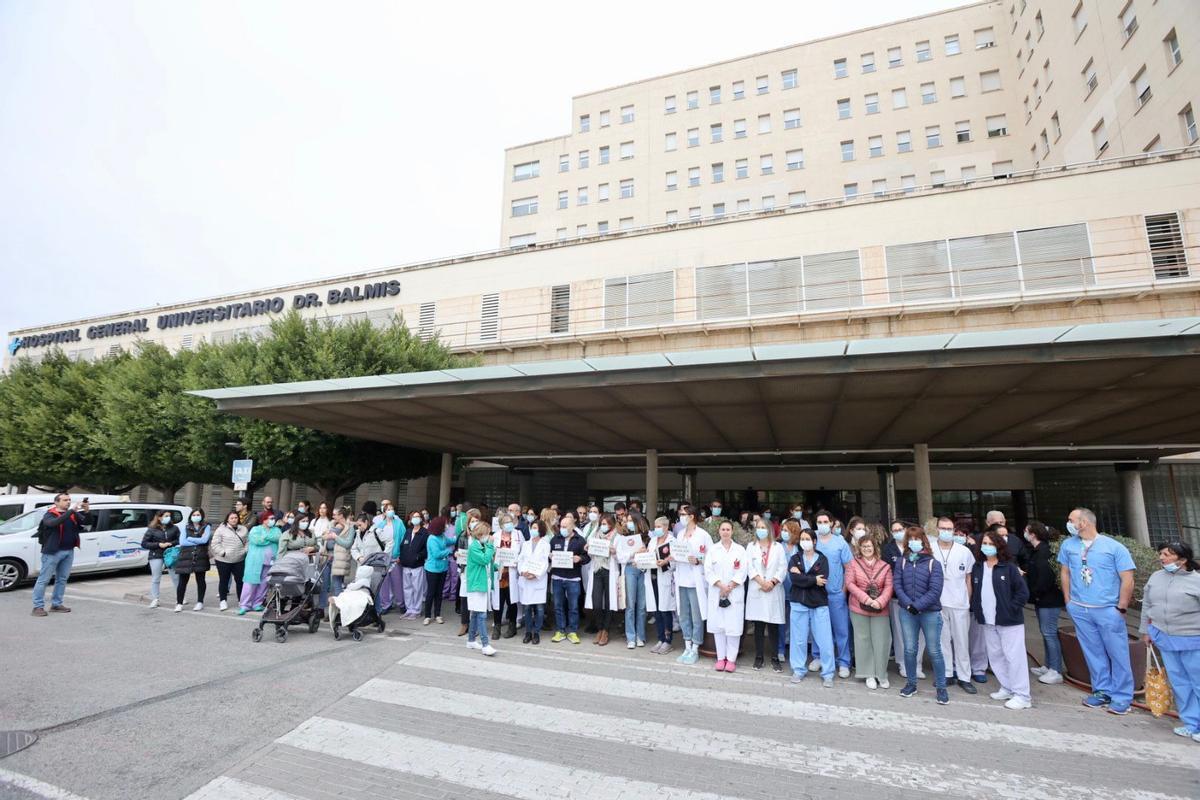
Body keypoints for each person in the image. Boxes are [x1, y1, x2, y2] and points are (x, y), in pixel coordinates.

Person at [1059, 507, 1136, 714]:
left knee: (1117, 653)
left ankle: (1122, 696)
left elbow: (1127, 578)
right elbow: (1065, 572)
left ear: (1083, 523)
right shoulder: (1068, 545)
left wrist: (1121, 606)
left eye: (1071, 519)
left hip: (1107, 609)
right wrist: (1068, 600)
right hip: (1080, 608)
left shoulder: (1114, 548)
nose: (1068, 523)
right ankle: (1102, 690)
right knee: (1092, 652)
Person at [1139, 542, 1200, 742]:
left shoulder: (1196, 581)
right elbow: (1147, 604)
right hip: (1164, 637)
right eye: (1161, 553)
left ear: (1182, 560)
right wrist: (1146, 630)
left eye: (1168, 554)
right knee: (1179, 682)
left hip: (1192, 638)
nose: (1162, 557)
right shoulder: (1156, 577)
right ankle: (1191, 723)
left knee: (1197, 682)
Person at [970, 529, 1032, 709]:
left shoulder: (1009, 567)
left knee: (1014, 657)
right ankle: (1007, 687)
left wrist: (1011, 609)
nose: (987, 547)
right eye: (984, 544)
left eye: (991, 544)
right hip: (988, 620)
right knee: (996, 656)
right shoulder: (979, 567)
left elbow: (1022, 593)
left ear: (999, 546)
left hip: (1009, 620)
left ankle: (1022, 695)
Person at [894, 524, 949, 704]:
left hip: (930, 613)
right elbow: (897, 585)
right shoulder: (902, 561)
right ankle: (911, 684)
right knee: (909, 650)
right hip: (907, 612)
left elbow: (935, 590)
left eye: (917, 539)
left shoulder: (934, 563)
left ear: (923, 540)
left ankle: (941, 687)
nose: (914, 542)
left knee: (934, 651)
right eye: (911, 539)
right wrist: (908, 605)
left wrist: (917, 606)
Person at [929, 516, 979, 694]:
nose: (946, 532)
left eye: (949, 529)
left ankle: (965, 677)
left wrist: (967, 600)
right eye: (943, 528)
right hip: (938, 603)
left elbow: (968, 578)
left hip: (959, 603)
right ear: (937, 529)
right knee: (942, 642)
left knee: (961, 642)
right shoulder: (931, 550)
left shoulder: (964, 551)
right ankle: (947, 674)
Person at [846, 533, 893, 689]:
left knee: (882, 641)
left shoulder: (885, 566)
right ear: (860, 548)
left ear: (875, 547)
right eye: (864, 546)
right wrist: (866, 599)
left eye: (869, 546)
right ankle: (868, 674)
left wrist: (880, 602)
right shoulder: (853, 564)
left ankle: (881, 674)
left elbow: (889, 586)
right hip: (859, 607)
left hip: (880, 608)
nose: (867, 549)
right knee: (863, 641)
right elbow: (850, 584)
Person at [31, 493, 91, 616]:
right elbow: (54, 523)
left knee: (62, 579)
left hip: (68, 551)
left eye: (69, 500)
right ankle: (37, 607)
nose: (68, 502)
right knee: (43, 580)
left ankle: (56, 604)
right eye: (65, 500)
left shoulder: (72, 514)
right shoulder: (49, 514)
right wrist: (71, 511)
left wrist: (87, 511)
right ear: (56, 502)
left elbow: (87, 523)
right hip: (52, 552)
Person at [787, 528, 834, 686]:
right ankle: (798, 670)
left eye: (808, 538)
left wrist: (803, 577)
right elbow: (795, 580)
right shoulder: (795, 558)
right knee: (798, 640)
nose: (804, 541)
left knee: (824, 640)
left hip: (818, 604)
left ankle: (828, 673)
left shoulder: (822, 559)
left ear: (814, 541)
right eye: (802, 539)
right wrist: (814, 580)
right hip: (798, 603)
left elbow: (824, 579)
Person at [810, 510, 852, 678]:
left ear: (831, 523)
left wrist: (843, 591)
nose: (822, 525)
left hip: (835, 594)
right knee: (817, 628)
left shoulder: (840, 543)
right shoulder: (812, 542)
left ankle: (843, 662)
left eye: (825, 521)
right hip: (816, 593)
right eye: (819, 522)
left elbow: (849, 569)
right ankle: (818, 656)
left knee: (841, 629)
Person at [1024, 520, 1066, 684]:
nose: (1025, 533)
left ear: (1033, 534)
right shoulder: (1037, 550)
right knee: (1046, 632)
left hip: (1048, 600)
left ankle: (1055, 670)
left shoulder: (1044, 552)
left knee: (1049, 633)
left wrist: (1034, 593)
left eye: (1027, 530)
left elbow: (1044, 577)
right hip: (1042, 600)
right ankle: (1048, 666)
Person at [705, 520, 747, 672]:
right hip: (717, 592)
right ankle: (720, 658)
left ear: (732, 531)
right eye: (723, 529)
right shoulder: (713, 550)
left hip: (734, 593)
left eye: (728, 529)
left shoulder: (740, 550)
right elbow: (708, 570)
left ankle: (731, 660)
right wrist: (720, 585)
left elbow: (743, 571)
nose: (725, 532)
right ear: (719, 531)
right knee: (719, 628)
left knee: (733, 628)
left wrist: (730, 586)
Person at [884, 519, 924, 679]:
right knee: (901, 633)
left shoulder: (916, 547)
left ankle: (918, 664)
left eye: (900, 529)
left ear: (906, 529)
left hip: (919, 598)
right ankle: (903, 663)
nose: (898, 532)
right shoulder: (888, 549)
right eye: (894, 530)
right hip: (897, 598)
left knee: (919, 633)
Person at [745, 517, 786, 672]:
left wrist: (772, 582)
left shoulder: (778, 547)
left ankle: (775, 658)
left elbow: (782, 567)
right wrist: (761, 582)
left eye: (764, 527)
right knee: (759, 626)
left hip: (773, 590)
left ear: (769, 529)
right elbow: (749, 567)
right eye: (758, 527)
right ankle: (759, 657)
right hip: (757, 588)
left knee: (773, 626)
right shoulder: (751, 546)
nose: (761, 530)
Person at [673, 507, 712, 665]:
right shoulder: (680, 534)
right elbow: (677, 551)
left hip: (696, 581)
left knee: (697, 615)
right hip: (681, 578)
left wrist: (698, 560)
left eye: (684, 515)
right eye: (680, 515)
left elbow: (710, 557)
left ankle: (696, 647)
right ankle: (687, 645)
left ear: (692, 516)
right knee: (683, 614)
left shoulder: (703, 535)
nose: (681, 517)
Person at [550, 513, 589, 643]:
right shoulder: (555, 539)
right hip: (557, 577)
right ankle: (560, 631)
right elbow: (547, 555)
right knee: (558, 606)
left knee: (573, 607)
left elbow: (587, 556)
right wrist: (549, 556)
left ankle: (572, 631)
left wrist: (580, 559)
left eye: (565, 526)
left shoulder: (580, 540)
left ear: (572, 527)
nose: (562, 528)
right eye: (561, 526)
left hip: (573, 578)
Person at [464, 510, 497, 656]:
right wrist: (490, 546)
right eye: (488, 534)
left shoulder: (480, 546)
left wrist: (496, 567)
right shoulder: (475, 546)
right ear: (481, 534)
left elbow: (487, 564)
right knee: (481, 614)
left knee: (476, 614)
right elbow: (484, 560)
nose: (490, 537)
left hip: (481, 583)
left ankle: (471, 640)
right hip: (477, 584)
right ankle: (485, 644)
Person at [584, 513, 619, 645]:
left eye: (606, 524)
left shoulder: (617, 537)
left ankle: (605, 630)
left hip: (609, 570)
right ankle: (599, 628)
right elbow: (590, 550)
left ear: (611, 525)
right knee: (596, 602)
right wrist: (588, 548)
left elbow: (620, 556)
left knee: (610, 602)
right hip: (597, 570)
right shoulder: (595, 535)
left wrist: (614, 552)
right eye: (602, 524)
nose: (603, 526)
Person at [616, 513, 650, 648]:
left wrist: (645, 552)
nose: (628, 523)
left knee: (642, 606)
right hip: (629, 569)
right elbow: (620, 558)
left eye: (631, 521)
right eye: (627, 521)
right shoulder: (623, 538)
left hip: (643, 570)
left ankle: (640, 636)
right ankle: (630, 636)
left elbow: (651, 554)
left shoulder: (646, 538)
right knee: (630, 605)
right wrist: (634, 552)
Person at [238, 514, 281, 615]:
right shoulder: (255, 529)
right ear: (264, 520)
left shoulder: (277, 530)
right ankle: (245, 605)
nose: (273, 520)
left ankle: (257, 603)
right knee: (250, 582)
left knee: (264, 583)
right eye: (271, 519)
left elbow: (278, 537)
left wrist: (266, 537)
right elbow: (257, 540)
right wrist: (270, 539)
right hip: (255, 560)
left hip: (270, 561)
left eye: (274, 519)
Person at [518, 519, 552, 644]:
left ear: (541, 530)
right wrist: (522, 572)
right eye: (532, 527)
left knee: (539, 609)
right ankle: (528, 632)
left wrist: (535, 574)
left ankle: (536, 632)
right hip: (526, 579)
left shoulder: (545, 544)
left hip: (538, 580)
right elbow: (520, 559)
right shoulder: (526, 544)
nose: (534, 530)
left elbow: (545, 563)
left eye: (536, 528)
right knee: (527, 608)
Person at [647, 517, 677, 654]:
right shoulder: (653, 541)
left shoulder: (672, 541)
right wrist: (640, 562)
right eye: (655, 526)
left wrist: (666, 563)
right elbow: (647, 557)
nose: (656, 529)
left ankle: (667, 641)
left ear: (666, 527)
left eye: (659, 526)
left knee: (665, 611)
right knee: (657, 611)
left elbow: (676, 561)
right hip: (652, 577)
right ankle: (660, 639)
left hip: (665, 578)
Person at [490, 513, 522, 639]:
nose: (509, 524)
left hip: (512, 573)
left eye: (510, 521)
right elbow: (490, 552)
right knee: (498, 601)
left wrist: (516, 560)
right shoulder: (495, 536)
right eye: (506, 522)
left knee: (511, 601)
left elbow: (523, 551)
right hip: (499, 573)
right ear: (501, 524)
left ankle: (512, 626)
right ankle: (497, 626)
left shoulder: (518, 535)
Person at [174, 508, 212, 612]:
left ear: (202, 516)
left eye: (198, 514)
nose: (196, 516)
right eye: (194, 514)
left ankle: (200, 602)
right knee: (182, 581)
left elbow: (205, 540)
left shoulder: (206, 527)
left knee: (200, 580)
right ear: (191, 516)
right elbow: (182, 542)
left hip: (201, 556)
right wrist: (197, 541)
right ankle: (179, 603)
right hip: (186, 556)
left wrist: (190, 539)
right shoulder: (185, 527)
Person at [141, 510, 180, 610]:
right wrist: (158, 545)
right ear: (159, 517)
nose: (168, 518)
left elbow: (179, 540)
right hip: (156, 555)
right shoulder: (152, 529)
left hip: (171, 555)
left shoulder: (174, 528)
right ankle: (155, 599)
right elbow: (144, 543)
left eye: (169, 516)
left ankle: (180, 597)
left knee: (175, 577)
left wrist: (171, 543)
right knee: (156, 578)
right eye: (166, 516)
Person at [209, 510, 248, 611]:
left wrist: (244, 551)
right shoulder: (221, 529)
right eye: (232, 518)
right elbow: (215, 543)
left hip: (239, 559)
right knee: (224, 580)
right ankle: (223, 601)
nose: (234, 520)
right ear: (227, 519)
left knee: (240, 580)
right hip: (223, 560)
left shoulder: (243, 529)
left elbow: (248, 541)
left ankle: (241, 600)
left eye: (236, 518)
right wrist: (223, 552)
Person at [421, 515, 456, 625]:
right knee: (431, 592)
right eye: (445, 524)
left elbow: (450, 541)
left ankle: (437, 614)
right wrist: (449, 552)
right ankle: (427, 615)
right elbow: (436, 554)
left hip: (442, 568)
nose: (446, 526)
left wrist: (457, 537)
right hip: (432, 569)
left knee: (439, 593)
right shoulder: (432, 538)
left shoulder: (442, 536)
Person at [399, 511, 430, 621]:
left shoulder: (425, 532)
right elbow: (402, 546)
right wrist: (402, 557)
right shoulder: (408, 531)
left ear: (421, 519)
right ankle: (409, 609)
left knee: (417, 588)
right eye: (413, 517)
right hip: (406, 564)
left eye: (417, 517)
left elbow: (427, 549)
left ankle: (416, 610)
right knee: (407, 588)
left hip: (417, 564)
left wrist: (418, 556)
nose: (415, 518)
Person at [327, 506, 359, 597]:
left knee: (337, 584)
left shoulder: (350, 528)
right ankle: (339, 606)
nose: (333, 517)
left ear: (341, 515)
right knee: (337, 583)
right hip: (335, 558)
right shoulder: (335, 525)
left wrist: (335, 537)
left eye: (334, 515)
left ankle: (339, 607)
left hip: (342, 559)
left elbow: (348, 544)